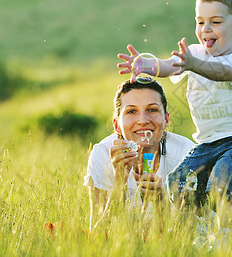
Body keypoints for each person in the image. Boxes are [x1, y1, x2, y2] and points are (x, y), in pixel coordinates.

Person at [117, 0, 232, 247]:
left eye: (215, 22)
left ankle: (227, 237)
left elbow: (222, 73)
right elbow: (168, 65)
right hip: (208, 141)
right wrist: (146, 65)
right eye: (200, 22)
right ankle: (198, 232)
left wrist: (194, 64)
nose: (205, 29)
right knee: (177, 183)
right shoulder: (195, 54)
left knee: (222, 180)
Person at [83, 79, 194, 231]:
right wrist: (119, 181)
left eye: (152, 110)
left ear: (166, 119)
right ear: (117, 125)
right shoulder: (102, 154)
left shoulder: (186, 154)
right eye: (131, 111)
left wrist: (162, 205)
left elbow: (193, 235)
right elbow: (98, 237)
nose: (142, 120)